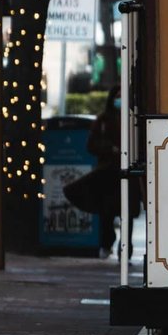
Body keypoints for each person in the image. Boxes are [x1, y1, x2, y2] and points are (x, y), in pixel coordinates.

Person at [64, 88, 138, 258]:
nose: (119, 100)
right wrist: (110, 149)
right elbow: (91, 145)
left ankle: (125, 250)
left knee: (127, 214)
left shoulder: (134, 119)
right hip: (108, 172)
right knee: (108, 213)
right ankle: (108, 242)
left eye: (122, 97)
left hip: (127, 172)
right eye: (117, 97)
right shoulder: (103, 120)